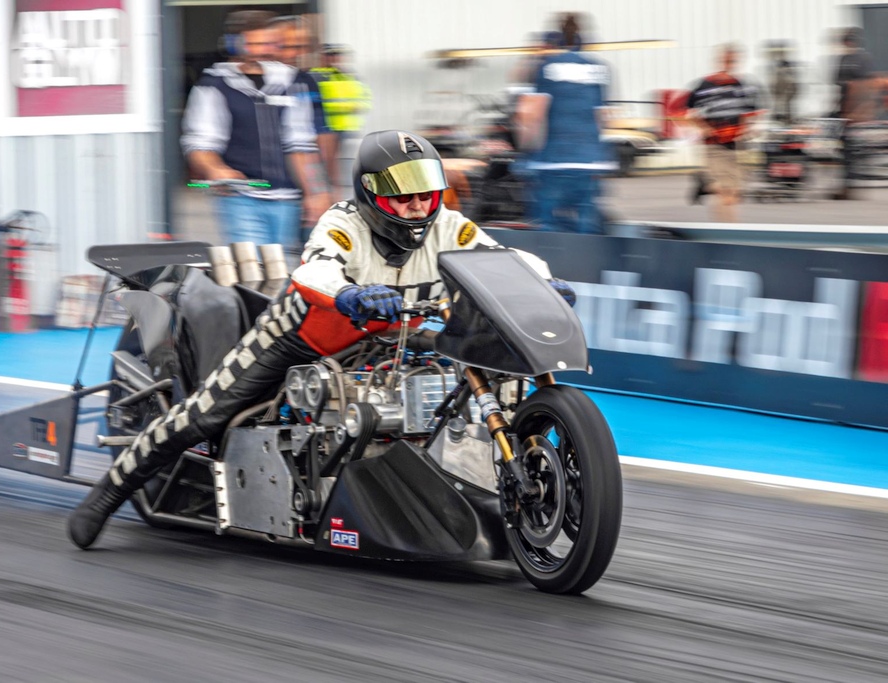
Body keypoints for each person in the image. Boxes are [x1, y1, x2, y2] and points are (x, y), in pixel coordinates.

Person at [67, 130, 570, 550]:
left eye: (426, 194)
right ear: (372, 195)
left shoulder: (449, 227)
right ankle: (108, 493)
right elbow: (314, 272)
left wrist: (542, 281)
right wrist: (349, 294)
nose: (418, 206)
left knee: (482, 364)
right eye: (404, 196)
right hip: (298, 339)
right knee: (206, 415)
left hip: (393, 334)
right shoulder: (343, 223)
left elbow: (500, 257)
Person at [181, 10, 330, 248]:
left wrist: (317, 191)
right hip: (240, 198)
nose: (262, 51)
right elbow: (200, 143)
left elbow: (301, 145)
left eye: (268, 43)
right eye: (254, 44)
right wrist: (215, 168)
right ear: (232, 44)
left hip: (286, 200)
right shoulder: (214, 84)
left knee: (281, 265)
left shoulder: (294, 82)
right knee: (255, 265)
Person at [514, 14, 613, 234]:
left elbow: (532, 114)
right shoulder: (599, 68)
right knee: (587, 224)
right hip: (590, 162)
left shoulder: (547, 67)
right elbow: (603, 117)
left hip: (554, 161)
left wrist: (526, 150)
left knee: (548, 225)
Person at [269, 15, 338, 239]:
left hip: (299, 186)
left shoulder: (306, 82)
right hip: (262, 189)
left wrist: (324, 187)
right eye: (286, 46)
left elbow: (321, 136)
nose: (294, 54)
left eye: (301, 47)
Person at [685, 44, 761, 222]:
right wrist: (705, 127)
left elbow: (751, 113)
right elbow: (687, 113)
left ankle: (707, 186)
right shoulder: (704, 85)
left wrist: (748, 128)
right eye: (726, 60)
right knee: (724, 190)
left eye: (733, 61)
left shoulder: (743, 86)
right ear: (719, 61)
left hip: (736, 146)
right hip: (715, 145)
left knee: (734, 193)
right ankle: (728, 227)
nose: (729, 64)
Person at [309, 44, 372, 189]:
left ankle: (332, 187)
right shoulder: (315, 76)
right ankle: (323, 187)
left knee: (335, 161)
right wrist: (346, 106)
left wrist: (358, 106)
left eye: (337, 55)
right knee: (323, 160)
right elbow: (315, 102)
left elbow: (366, 99)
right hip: (324, 126)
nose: (335, 59)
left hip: (345, 126)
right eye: (330, 56)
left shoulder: (351, 76)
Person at [831, 28, 877, 200]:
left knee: (854, 149)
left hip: (857, 111)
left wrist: (861, 111)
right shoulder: (842, 59)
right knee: (844, 149)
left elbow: (867, 86)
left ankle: (851, 184)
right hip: (844, 109)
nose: (847, 44)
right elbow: (837, 84)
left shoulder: (863, 59)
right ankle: (846, 185)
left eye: (849, 40)